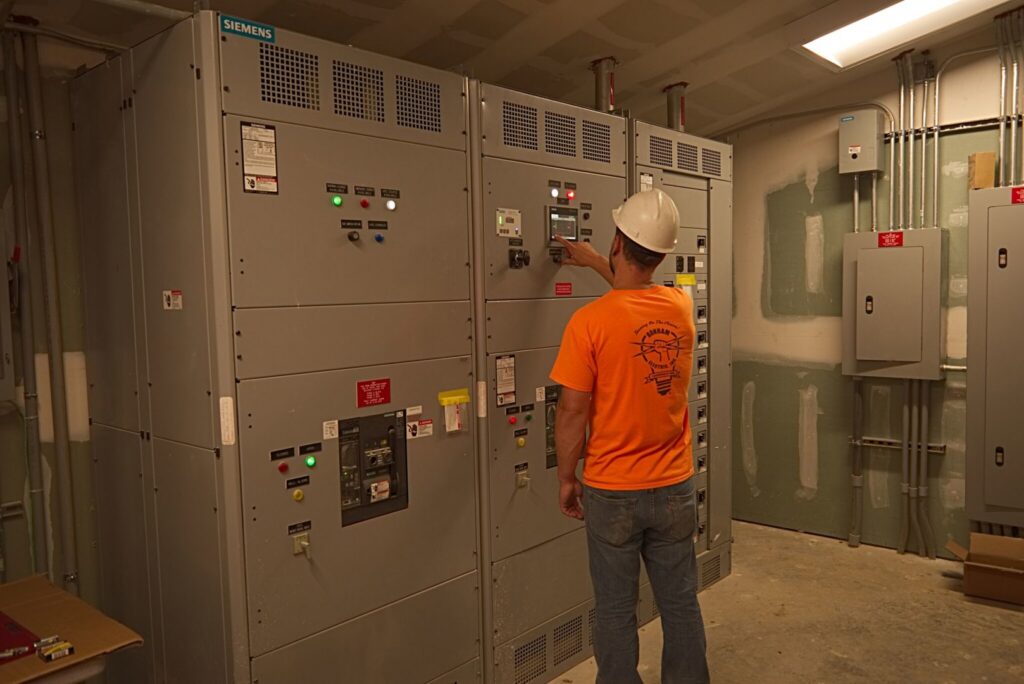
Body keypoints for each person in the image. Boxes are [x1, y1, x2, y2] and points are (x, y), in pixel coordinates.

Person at [550, 188, 709, 684]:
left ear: (619, 242)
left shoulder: (587, 324)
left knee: (616, 610)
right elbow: (637, 298)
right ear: (662, 255)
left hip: (613, 491)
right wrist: (602, 262)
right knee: (680, 601)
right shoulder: (681, 307)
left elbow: (573, 413)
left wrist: (566, 478)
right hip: (675, 485)